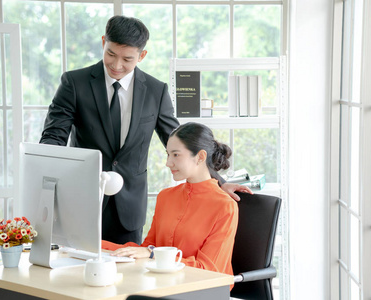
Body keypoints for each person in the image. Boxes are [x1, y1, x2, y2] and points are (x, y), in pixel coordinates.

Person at [39, 15, 251, 245]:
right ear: (103, 42)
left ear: (142, 56)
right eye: (110, 54)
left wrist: (218, 182)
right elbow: (53, 138)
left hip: (128, 208)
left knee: (126, 274)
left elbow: (184, 142)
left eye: (127, 59)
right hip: (81, 200)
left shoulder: (156, 91)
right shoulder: (74, 83)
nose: (117, 65)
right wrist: (45, 183)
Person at [102, 122, 238, 279]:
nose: (168, 163)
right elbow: (147, 248)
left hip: (202, 287)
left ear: (200, 157)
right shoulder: (165, 197)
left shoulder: (225, 206)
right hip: (162, 283)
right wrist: (93, 245)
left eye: (176, 155)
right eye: (168, 154)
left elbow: (208, 269)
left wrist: (152, 254)